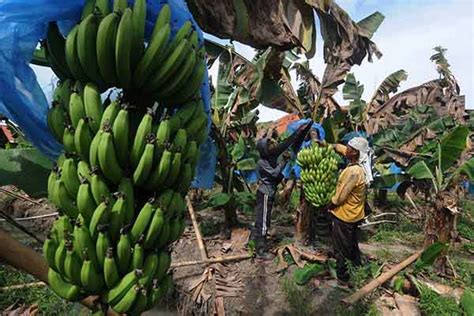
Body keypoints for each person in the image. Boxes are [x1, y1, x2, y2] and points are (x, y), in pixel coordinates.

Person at [251, 120, 313, 259]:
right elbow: (274, 174)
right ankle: (261, 250)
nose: (273, 145)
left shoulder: (272, 155)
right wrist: (284, 161)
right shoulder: (262, 163)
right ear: (265, 150)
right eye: (270, 145)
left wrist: (303, 129)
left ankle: (253, 241)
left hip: (269, 193)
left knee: (261, 218)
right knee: (263, 220)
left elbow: (287, 142)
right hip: (265, 194)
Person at [325, 137, 373, 284]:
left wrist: (329, 205)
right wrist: (327, 144)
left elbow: (341, 197)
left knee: (341, 247)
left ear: (356, 153)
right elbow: (340, 148)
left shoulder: (353, 172)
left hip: (344, 215)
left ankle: (343, 277)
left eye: (350, 148)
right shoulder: (360, 166)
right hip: (355, 213)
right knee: (351, 243)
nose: (347, 150)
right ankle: (357, 266)